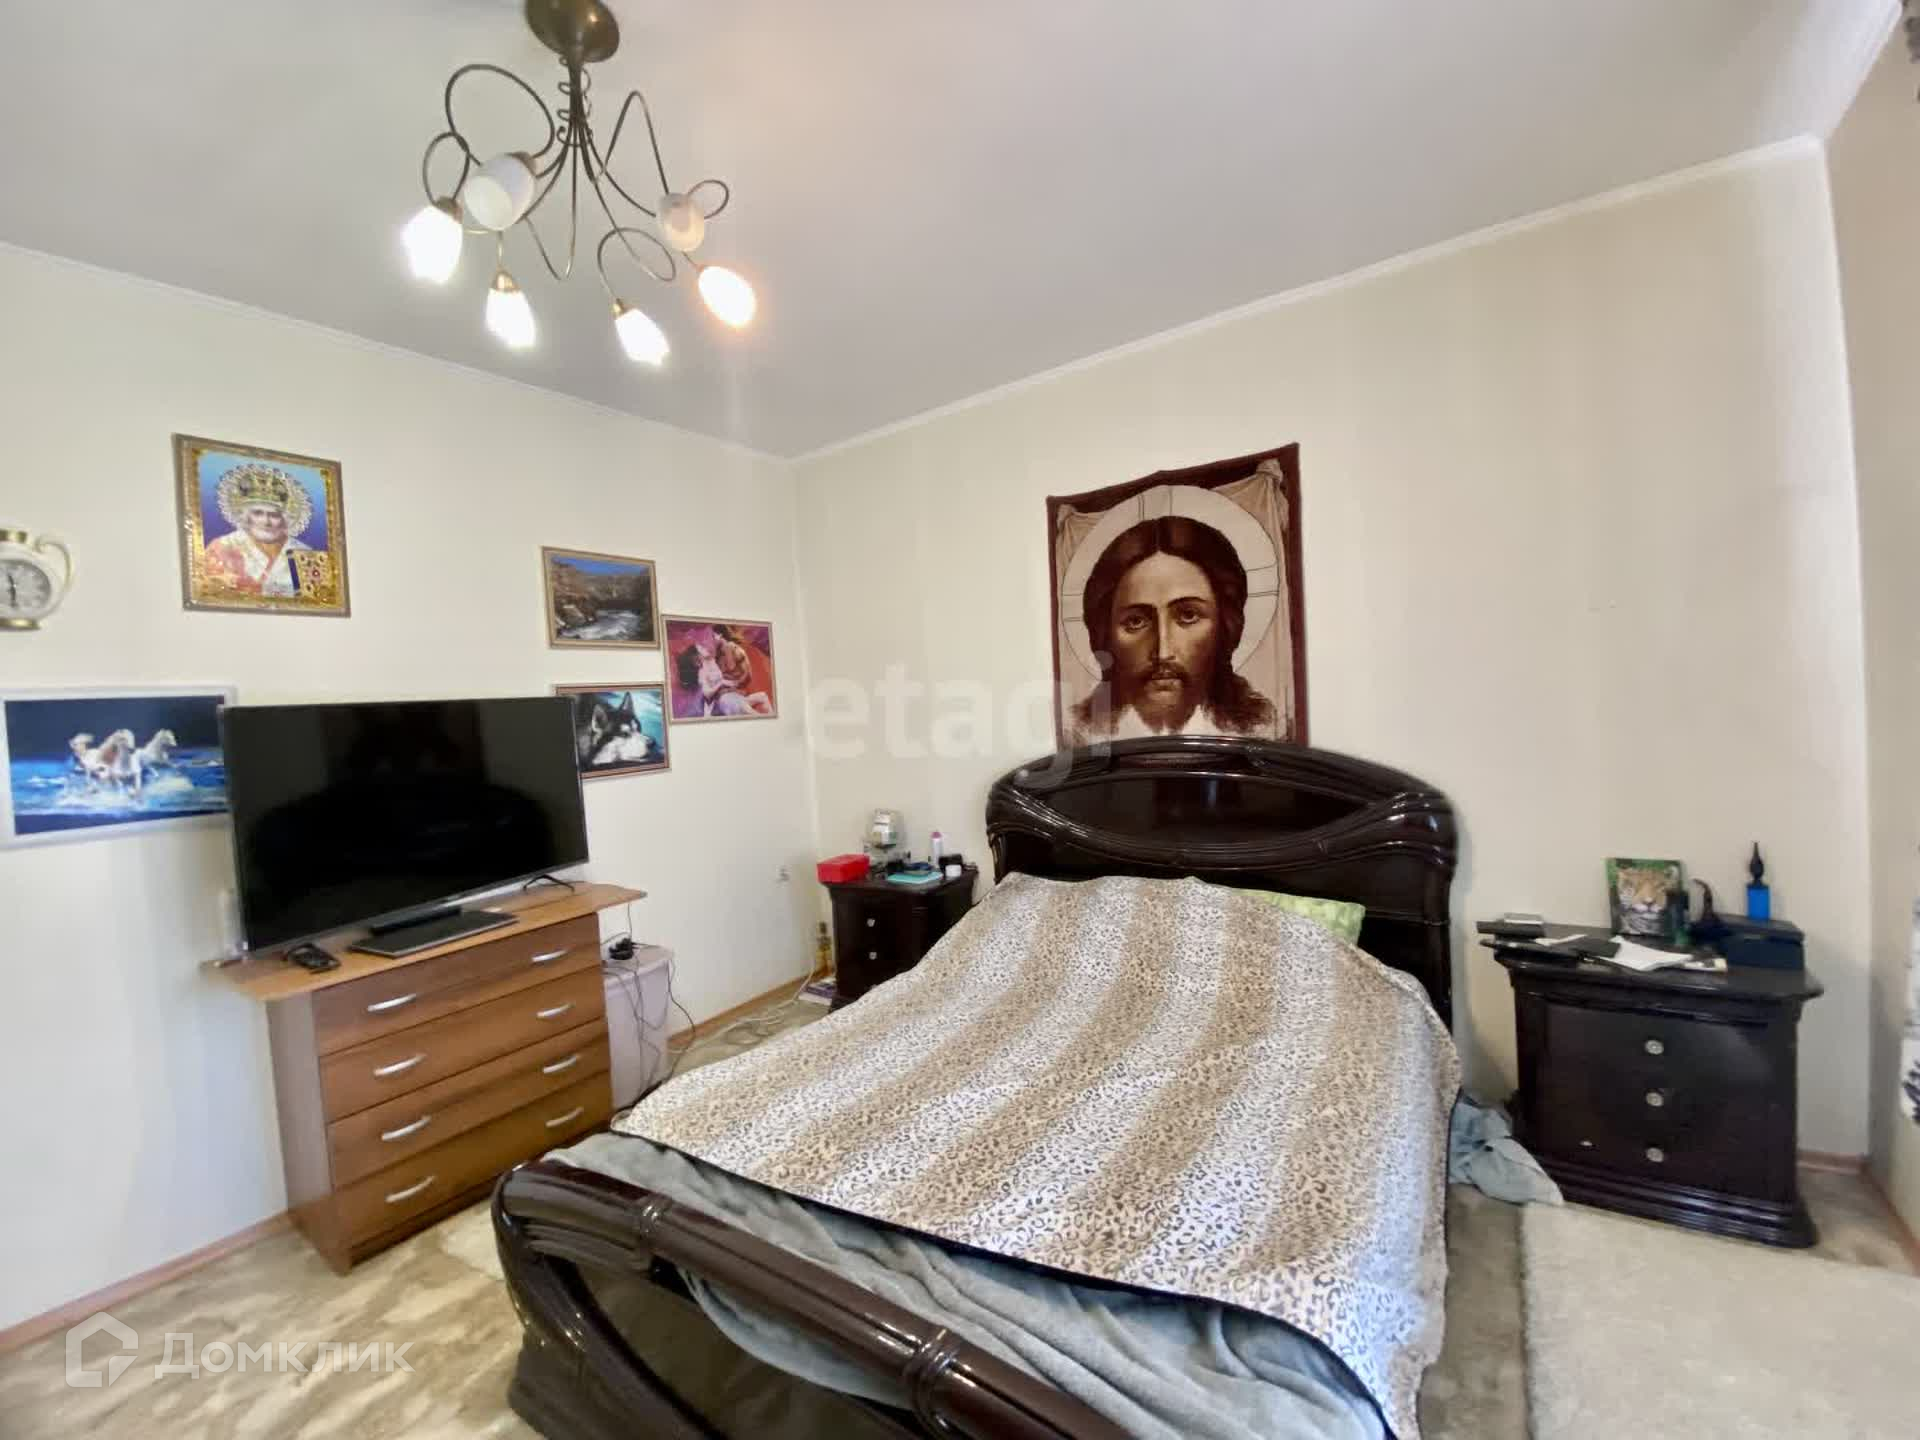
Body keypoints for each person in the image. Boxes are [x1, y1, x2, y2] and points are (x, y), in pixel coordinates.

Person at [1068, 514, 1277, 743]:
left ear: (1225, 626)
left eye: (1188, 615)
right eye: (1135, 621)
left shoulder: (1260, 730)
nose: (1163, 652)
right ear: (1105, 635)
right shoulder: (1082, 733)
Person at [200, 463, 317, 597]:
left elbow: (315, 599)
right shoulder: (222, 547)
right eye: (258, 513)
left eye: (274, 515)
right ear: (245, 516)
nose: (266, 522)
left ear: (285, 519)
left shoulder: (305, 554)